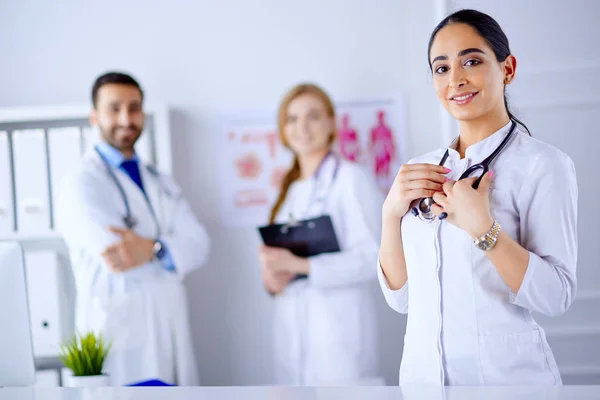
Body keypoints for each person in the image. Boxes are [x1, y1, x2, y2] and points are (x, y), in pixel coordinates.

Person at [378, 9, 578, 386]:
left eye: (471, 61)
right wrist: (390, 215)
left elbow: (557, 296)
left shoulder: (543, 166)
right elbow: (401, 300)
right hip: (422, 383)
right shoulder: (420, 170)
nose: (455, 79)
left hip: (507, 383)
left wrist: (484, 229)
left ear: (508, 68)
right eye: (441, 68)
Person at [56, 72, 210, 386]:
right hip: (118, 328)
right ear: (94, 116)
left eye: (134, 108)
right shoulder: (81, 182)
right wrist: (166, 249)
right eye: (114, 108)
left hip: (168, 326)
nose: (126, 118)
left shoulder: (160, 180)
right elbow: (117, 252)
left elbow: (199, 244)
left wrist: (153, 249)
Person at [258, 83, 385, 386]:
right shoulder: (287, 189)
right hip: (293, 331)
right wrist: (272, 280)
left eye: (313, 116)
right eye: (292, 119)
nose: (302, 127)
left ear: (331, 123)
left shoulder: (351, 179)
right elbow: (279, 262)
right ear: (283, 128)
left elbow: (374, 260)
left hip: (339, 336)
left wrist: (301, 266)